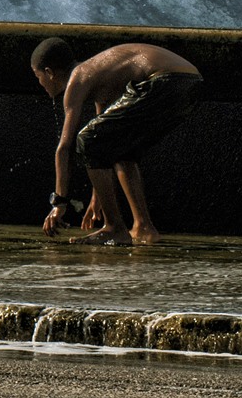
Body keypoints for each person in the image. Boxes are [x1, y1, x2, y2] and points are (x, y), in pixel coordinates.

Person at [31, 38, 203, 246]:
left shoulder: (78, 77)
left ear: (49, 73)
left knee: (86, 139)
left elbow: (64, 148)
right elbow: (104, 149)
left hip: (164, 80)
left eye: (37, 76)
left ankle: (114, 228)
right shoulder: (98, 77)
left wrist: (59, 203)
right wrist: (98, 198)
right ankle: (144, 227)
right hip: (190, 82)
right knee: (120, 149)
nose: (39, 83)